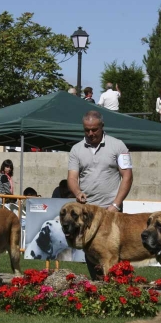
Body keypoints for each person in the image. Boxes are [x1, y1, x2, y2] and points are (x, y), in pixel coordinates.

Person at [68, 110, 133, 278]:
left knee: (114, 254)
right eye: (86, 130)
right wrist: (77, 192)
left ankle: (117, 291)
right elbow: (72, 177)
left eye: (94, 130)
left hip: (111, 211)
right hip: (87, 213)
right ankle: (98, 288)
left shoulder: (118, 146)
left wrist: (116, 205)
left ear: (102, 127)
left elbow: (127, 176)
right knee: (92, 253)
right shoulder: (76, 149)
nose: (90, 133)